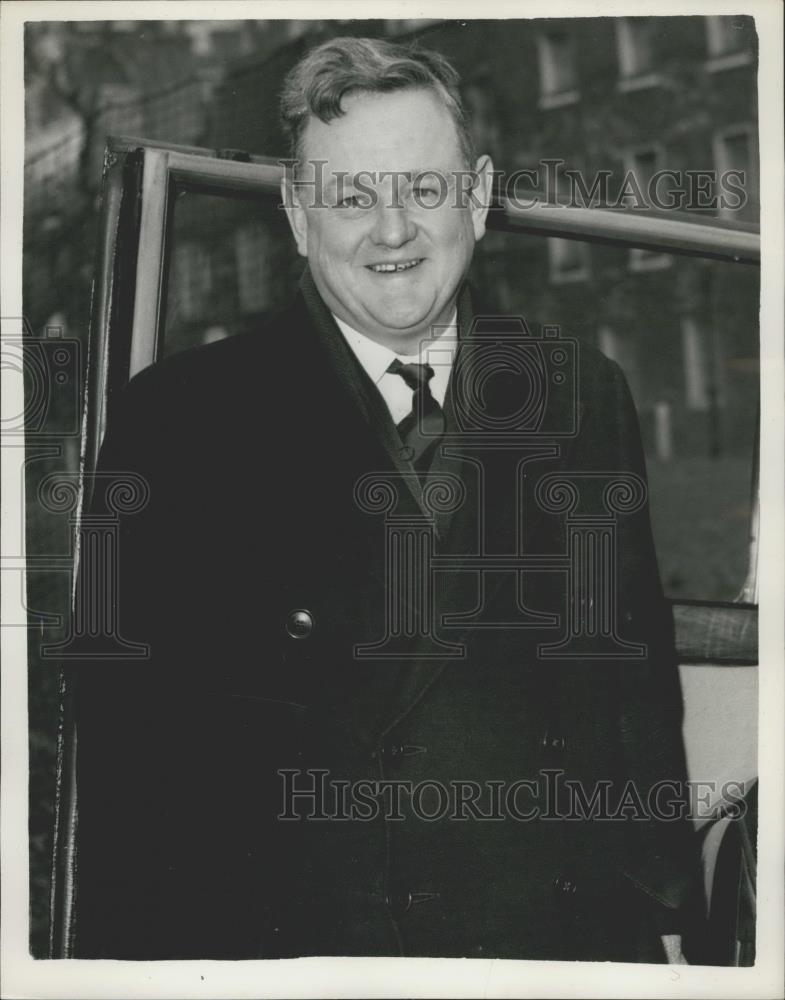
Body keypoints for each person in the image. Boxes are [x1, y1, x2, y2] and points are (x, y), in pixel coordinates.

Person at [69, 36, 701, 961]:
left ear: (478, 198)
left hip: (553, 946)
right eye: (351, 196)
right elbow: (133, 763)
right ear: (295, 211)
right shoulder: (181, 420)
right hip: (309, 950)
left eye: (425, 188)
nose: (392, 230)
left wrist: (666, 917)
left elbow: (631, 692)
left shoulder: (579, 394)